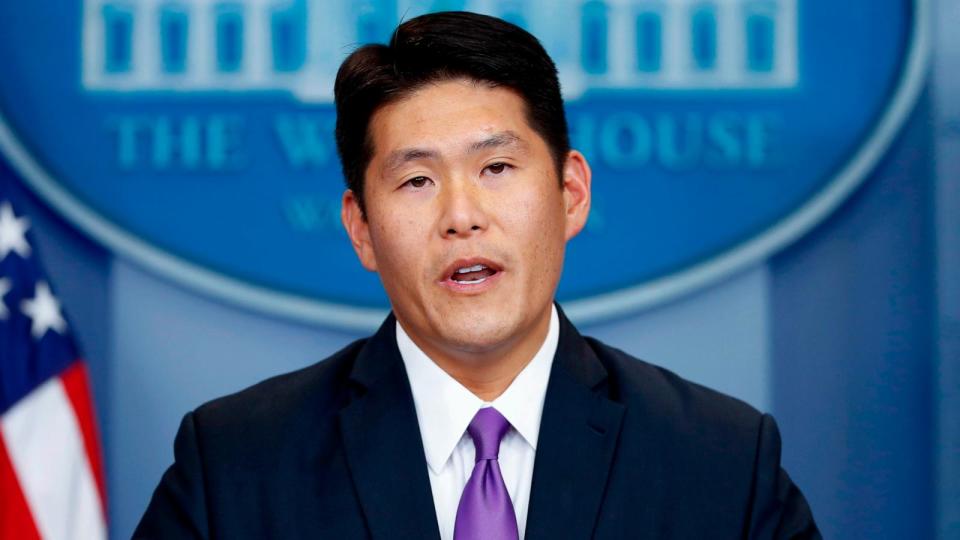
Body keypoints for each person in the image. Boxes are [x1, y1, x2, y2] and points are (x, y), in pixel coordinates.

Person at [135, 11, 819, 539]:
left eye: (496, 168)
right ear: (362, 229)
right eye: (417, 180)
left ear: (571, 193)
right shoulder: (236, 466)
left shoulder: (720, 462)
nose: (461, 216)